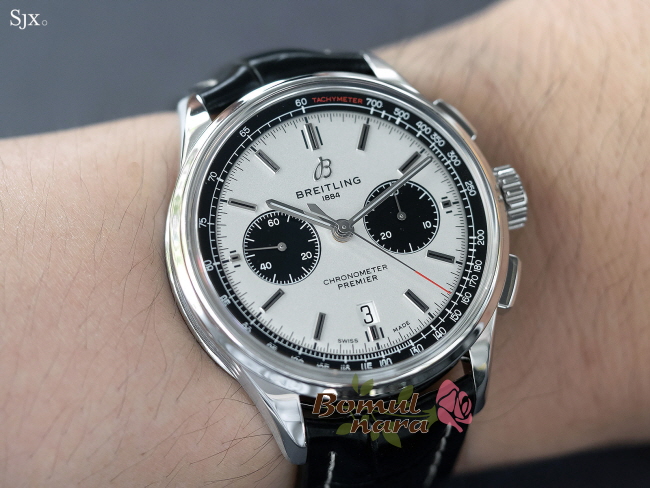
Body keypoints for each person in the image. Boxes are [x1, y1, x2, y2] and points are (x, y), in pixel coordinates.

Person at [1, 0, 648, 485]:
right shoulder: (209, 147)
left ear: (499, 193)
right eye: (332, 228)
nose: (342, 230)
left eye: (354, 223)